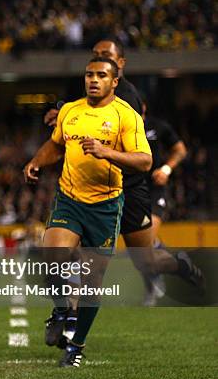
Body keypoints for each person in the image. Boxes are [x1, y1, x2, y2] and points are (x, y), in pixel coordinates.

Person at [42, 38, 202, 334]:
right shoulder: (89, 88)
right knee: (65, 252)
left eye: (106, 57)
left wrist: (166, 168)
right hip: (87, 191)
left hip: (128, 188)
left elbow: (121, 137)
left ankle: (178, 264)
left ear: (120, 66)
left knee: (147, 261)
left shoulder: (125, 95)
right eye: (96, 56)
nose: (98, 62)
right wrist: (60, 115)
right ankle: (66, 316)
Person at [24, 57, 152, 366]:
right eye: (89, 74)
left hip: (106, 206)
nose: (93, 80)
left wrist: (107, 152)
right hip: (70, 198)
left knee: (93, 281)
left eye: (101, 75)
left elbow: (145, 161)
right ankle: (61, 309)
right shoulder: (70, 110)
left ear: (114, 81)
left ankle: (76, 346)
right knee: (49, 257)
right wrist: (36, 162)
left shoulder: (126, 115)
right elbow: (56, 145)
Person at [141, 102, 189, 305]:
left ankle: (156, 280)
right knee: (140, 248)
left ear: (142, 106)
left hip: (153, 189)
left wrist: (167, 169)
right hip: (129, 192)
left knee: (145, 240)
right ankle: (166, 268)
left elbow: (180, 150)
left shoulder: (157, 126)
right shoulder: (118, 128)